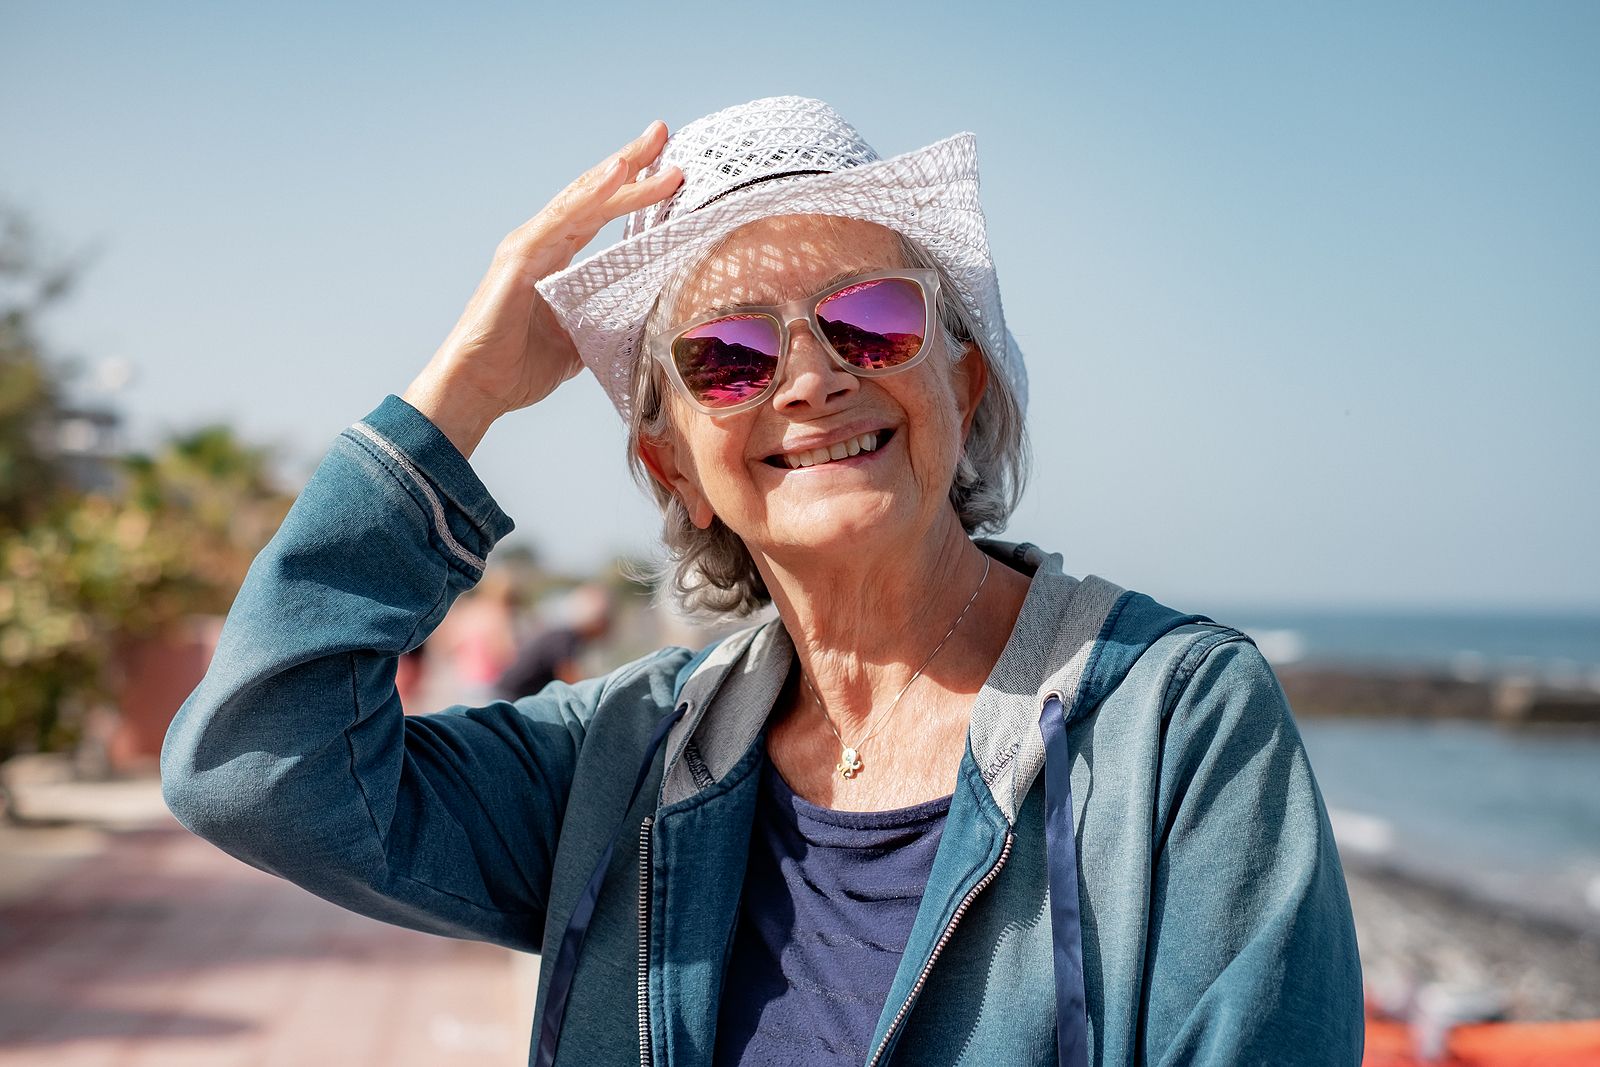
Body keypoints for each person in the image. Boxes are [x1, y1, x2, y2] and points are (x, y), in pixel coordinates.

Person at [162, 97, 1364, 1066]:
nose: (811, 380)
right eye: (728, 356)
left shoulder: (1174, 721)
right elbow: (256, 765)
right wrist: (464, 388)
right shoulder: (623, 758)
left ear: (968, 384)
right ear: (671, 466)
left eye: (873, 321)